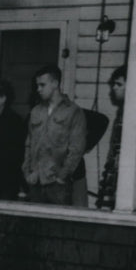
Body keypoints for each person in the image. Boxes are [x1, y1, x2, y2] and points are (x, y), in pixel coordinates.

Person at [22, 65, 87, 206]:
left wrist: (62, 177)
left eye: (42, 85)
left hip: (58, 187)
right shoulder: (35, 111)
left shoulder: (74, 112)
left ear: (55, 83)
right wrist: (27, 172)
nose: (38, 89)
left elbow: (76, 149)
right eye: (37, 85)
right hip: (35, 182)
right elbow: (28, 144)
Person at [97, 66, 127, 210]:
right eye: (113, 84)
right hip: (114, 173)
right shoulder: (122, 112)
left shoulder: (133, 112)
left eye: (119, 84)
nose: (114, 88)